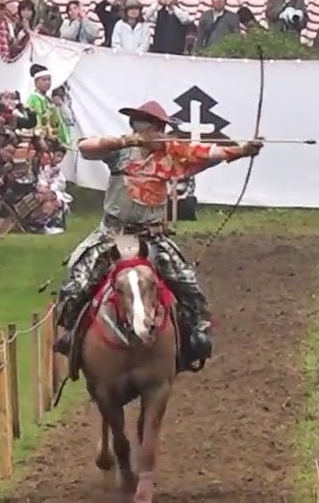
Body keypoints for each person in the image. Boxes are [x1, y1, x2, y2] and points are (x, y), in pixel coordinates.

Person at [53, 101, 263, 371]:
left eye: (158, 127)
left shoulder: (172, 152)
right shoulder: (121, 152)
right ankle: (70, 333)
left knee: (187, 285)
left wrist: (243, 150)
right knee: (78, 281)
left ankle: (195, 338)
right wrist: (123, 140)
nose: (155, 132)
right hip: (114, 234)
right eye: (147, 126)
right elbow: (85, 147)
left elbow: (211, 152)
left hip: (152, 237)